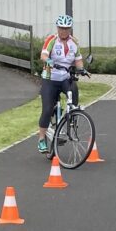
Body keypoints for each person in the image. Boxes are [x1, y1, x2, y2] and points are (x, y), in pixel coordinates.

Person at [36, 15, 84, 154]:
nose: (63, 31)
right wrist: (49, 61)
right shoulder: (51, 40)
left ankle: (71, 118)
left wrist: (82, 69)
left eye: (66, 28)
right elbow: (43, 55)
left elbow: (78, 60)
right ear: (57, 28)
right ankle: (41, 138)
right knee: (47, 109)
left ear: (70, 29)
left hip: (65, 78)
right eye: (61, 28)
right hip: (50, 78)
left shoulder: (74, 43)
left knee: (73, 90)